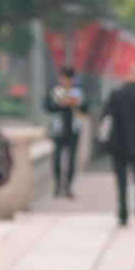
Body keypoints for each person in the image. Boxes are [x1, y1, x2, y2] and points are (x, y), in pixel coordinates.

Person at [102, 61, 135, 227]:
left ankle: (123, 213)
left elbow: (106, 115)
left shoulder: (116, 94)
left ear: (127, 76)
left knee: (121, 180)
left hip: (118, 144)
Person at [44, 65, 84, 198]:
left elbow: (85, 109)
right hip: (58, 129)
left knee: (71, 160)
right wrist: (60, 104)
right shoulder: (55, 91)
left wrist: (74, 104)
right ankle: (57, 185)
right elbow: (47, 107)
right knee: (57, 159)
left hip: (74, 129)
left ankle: (68, 187)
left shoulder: (78, 93)